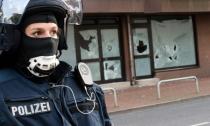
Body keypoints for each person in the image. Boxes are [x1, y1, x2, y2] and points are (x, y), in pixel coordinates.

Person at [0, 0, 112, 126]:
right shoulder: (3, 91)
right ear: (16, 40)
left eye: (53, 32)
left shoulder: (84, 87)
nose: (49, 41)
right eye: (37, 33)